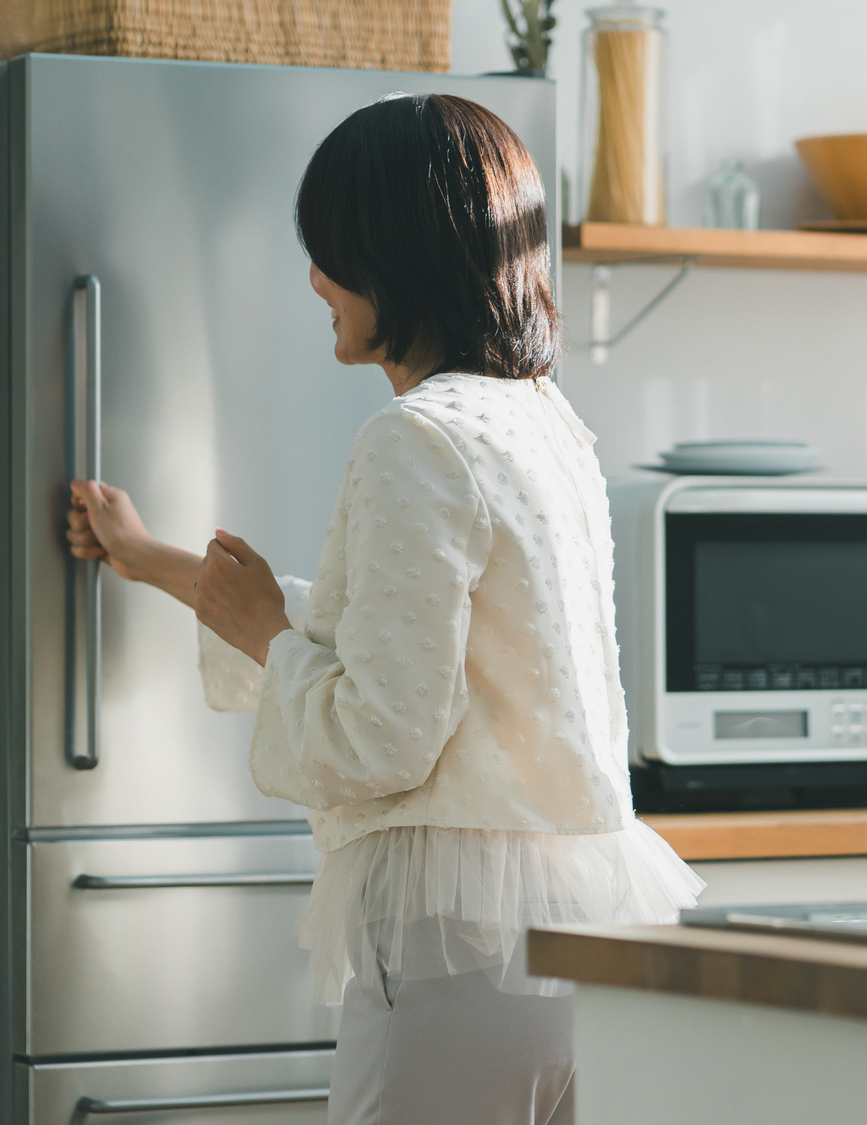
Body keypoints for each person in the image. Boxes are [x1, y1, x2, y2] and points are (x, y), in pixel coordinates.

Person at [65, 93, 701, 1125]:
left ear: (394, 256)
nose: (315, 279)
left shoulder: (414, 437)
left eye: (331, 251)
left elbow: (382, 735)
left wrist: (266, 635)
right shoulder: (542, 421)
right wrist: (154, 562)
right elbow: (412, 644)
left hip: (459, 949)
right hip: (583, 938)